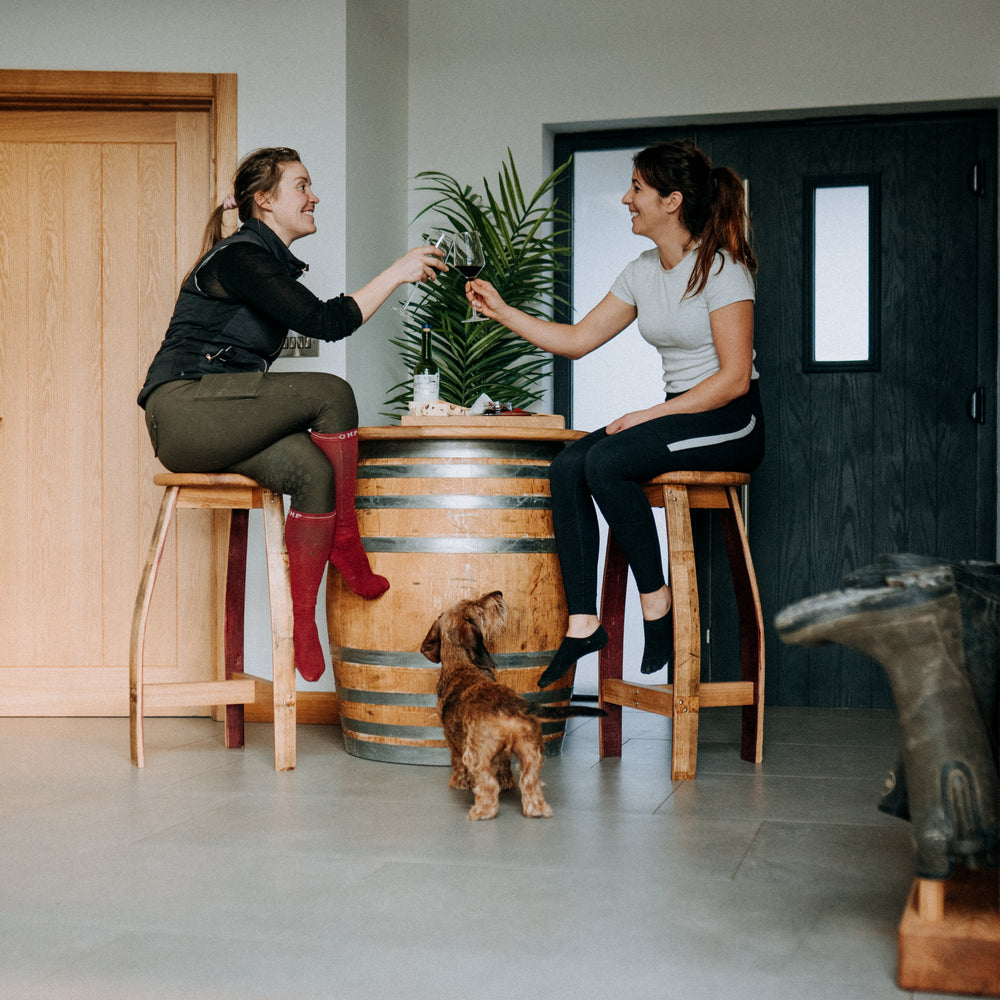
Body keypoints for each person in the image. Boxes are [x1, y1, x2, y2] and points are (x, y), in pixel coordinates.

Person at [138, 146, 447, 683]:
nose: (314, 196)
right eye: (301, 186)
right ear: (264, 201)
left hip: (220, 411)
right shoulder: (240, 257)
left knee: (313, 472)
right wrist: (397, 271)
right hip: (184, 409)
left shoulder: (259, 259)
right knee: (332, 392)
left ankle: (302, 621)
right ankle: (346, 543)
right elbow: (327, 321)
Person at [466, 139, 764, 687]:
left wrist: (648, 415)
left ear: (671, 201)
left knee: (606, 462)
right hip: (679, 415)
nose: (627, 199)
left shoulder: (722, 271)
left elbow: (733, 379)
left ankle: (657, 601)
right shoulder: (641, 271)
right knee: (567, 465)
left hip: (731, 421)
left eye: (637, 189)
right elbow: (578, 340)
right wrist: (502, 311)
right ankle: (584, 624)